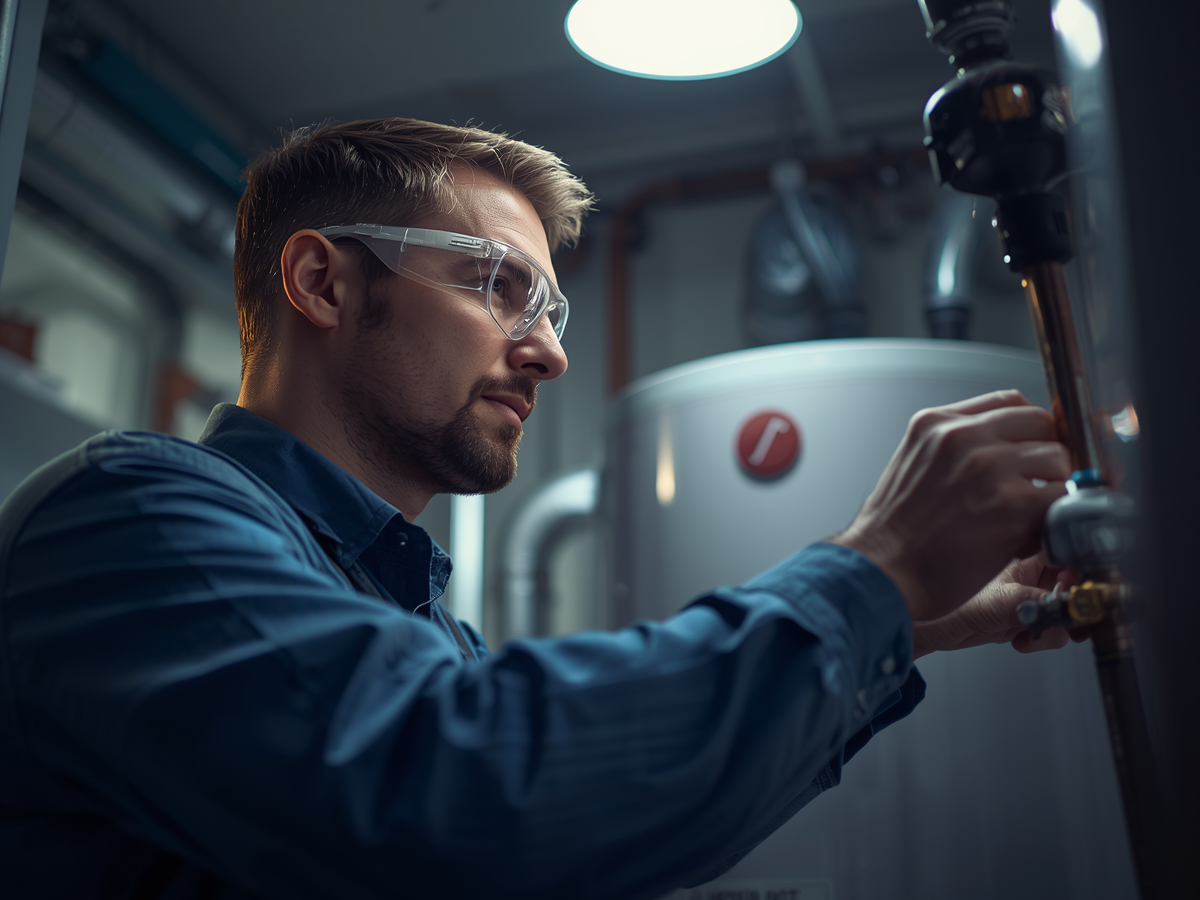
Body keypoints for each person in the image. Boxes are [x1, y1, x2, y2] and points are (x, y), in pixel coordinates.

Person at [0, 119, 1075, 900]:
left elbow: (584, 833)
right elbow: (462, 793)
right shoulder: (131, 517)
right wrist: (874, 570)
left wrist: (912, 618)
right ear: (324, 283)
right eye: (499, 287)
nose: (552, 350)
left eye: (554, 308)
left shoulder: (412, 618)